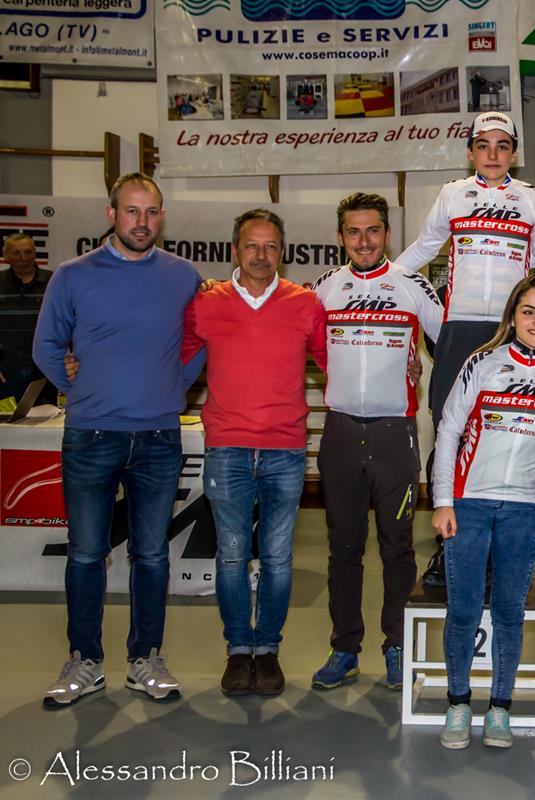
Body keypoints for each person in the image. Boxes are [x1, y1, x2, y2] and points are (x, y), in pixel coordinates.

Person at [35, 173, 202, 706]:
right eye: (132, 211)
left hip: (158, 436)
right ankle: (84, 660)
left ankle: (144, 659)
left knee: (151, 555)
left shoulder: (183, 276)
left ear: (161, 216)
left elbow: (200, 342)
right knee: (86, 554)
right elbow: (45, 346)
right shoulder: (72, 276)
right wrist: (78, 389)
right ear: (112, 215)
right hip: (91, 435)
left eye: (151, 212)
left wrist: (176, 386)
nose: (141, 222)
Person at [398, 110, 535, 585]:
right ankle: (448, 544)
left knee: (499, 432)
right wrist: (384, 284)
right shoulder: (453, 194)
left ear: (514, 154)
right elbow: (423, 249)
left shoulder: (531, 200)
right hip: (460, 327)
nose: (492, 154)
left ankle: (493, 544)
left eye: (502, 145)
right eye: (483, 145)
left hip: (511, 330)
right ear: (470, 152)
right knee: (450, 425)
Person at [431, 274, 535, 750]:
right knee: (462, 611)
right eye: (528, 311)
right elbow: (449, 430)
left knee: (508, 613)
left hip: (524, 511)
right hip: (469, 505)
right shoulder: (483, 363)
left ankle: (499, 708)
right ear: (513, 317)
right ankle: (459, 703)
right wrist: (442, 501)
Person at [180, 209, 327, 697]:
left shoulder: (305, 304)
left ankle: (268, 651)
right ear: (235, 250)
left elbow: (338, 363)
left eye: (271, 246)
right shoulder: (207, 304)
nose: (261, 255)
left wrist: (399, 371)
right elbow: (173, 359)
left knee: (278, 558)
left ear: (282, 251)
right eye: (251, 245)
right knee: (231, 556)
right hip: (227, 449)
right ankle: (238, 650)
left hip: (285, 449)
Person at [309, 193, 444, 691]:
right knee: (343, 548)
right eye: (353, 231)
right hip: (341, 433)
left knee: (397, 546)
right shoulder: (326, 288)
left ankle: (396, 645)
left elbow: (452, 343)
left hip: (394, 436)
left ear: (387, 233)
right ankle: (344, 647)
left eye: (372, 231)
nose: (363, 241)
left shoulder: (412, 285)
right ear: (340, 237)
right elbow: (299, 340)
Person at [0, 233, 54, 404]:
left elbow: (69, 322)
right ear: (6, 256)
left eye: (28, 252)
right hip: (7, 371)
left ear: (35, 253)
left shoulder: (53, 281)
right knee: (8, 420)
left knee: (49, 418)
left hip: (46, 370)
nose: (23, 258)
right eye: (16, 253)